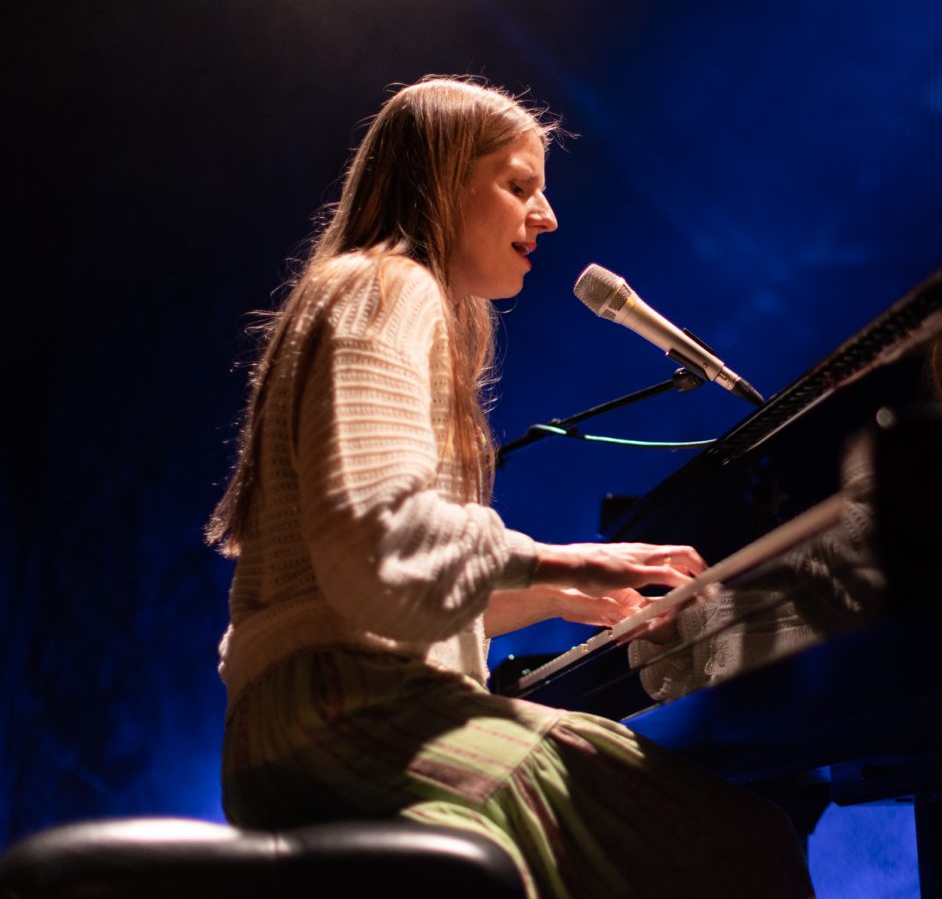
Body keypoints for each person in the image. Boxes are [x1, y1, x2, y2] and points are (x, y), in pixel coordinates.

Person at [207, 75, 813, 899]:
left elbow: (377, 596)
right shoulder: (390, 285)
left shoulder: (358, 290)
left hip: (292, 730)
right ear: (439, 183)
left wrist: (558, 596)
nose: (548, 215)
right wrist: (569, 561)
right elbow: (374, 537)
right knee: (738, 843)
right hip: (355, 718)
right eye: (518, 185)